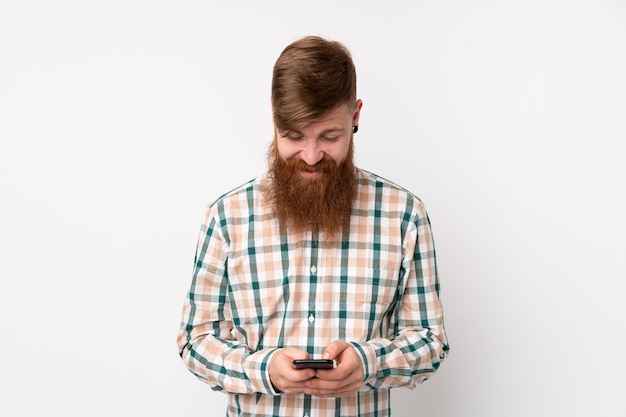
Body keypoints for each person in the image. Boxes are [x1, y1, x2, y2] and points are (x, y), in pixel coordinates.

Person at [177, 35, 449, 417]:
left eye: (330, 136)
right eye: (293, 136)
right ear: (274, 115)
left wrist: (369, 361)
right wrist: (264, 370)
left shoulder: (404, 214)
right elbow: (195, 341)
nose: (310, 156)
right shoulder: (227, 216)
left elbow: (431, 341)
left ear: (355, 116)